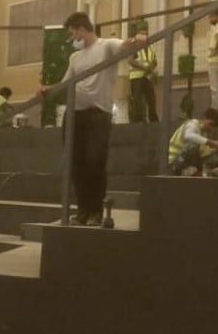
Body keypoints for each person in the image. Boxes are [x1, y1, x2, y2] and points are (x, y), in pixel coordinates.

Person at [45, 12, 146, 226]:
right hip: (74, 115)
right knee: (77, 164)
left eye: (71, 33)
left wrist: (137, 39)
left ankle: (96, 211)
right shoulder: (75, 57)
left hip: (98, 114)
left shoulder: (106, 46)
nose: (71, 37)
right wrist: (47, 89)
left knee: (95, 162)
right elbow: (65, 84)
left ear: (81, 29)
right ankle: (83, 210)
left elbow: (126, 46)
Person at [168, 108, 218, 177]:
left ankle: (202, 172)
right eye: (211, 124)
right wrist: (211, 142)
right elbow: (188, 135)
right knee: (194, 143)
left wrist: (214, 149)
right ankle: (181, 171)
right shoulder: (192, 124)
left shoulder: (203, 134)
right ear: (204, 118)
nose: (211, 128)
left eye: (214, 127)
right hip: (174, 161)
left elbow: (202, 153)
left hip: (186, 161)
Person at [127, 22, 158, 123]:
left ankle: (153, 121)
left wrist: (151, 67)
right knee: (138, 102)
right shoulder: (134, 44)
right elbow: (131, 60)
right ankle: (140, 122)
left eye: (146, 33)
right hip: (137, 78)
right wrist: (145, 67)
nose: (144, 35)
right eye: (142, 33)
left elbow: (154, 61)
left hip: (147, 76)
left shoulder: (150, 46)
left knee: (151, 100)